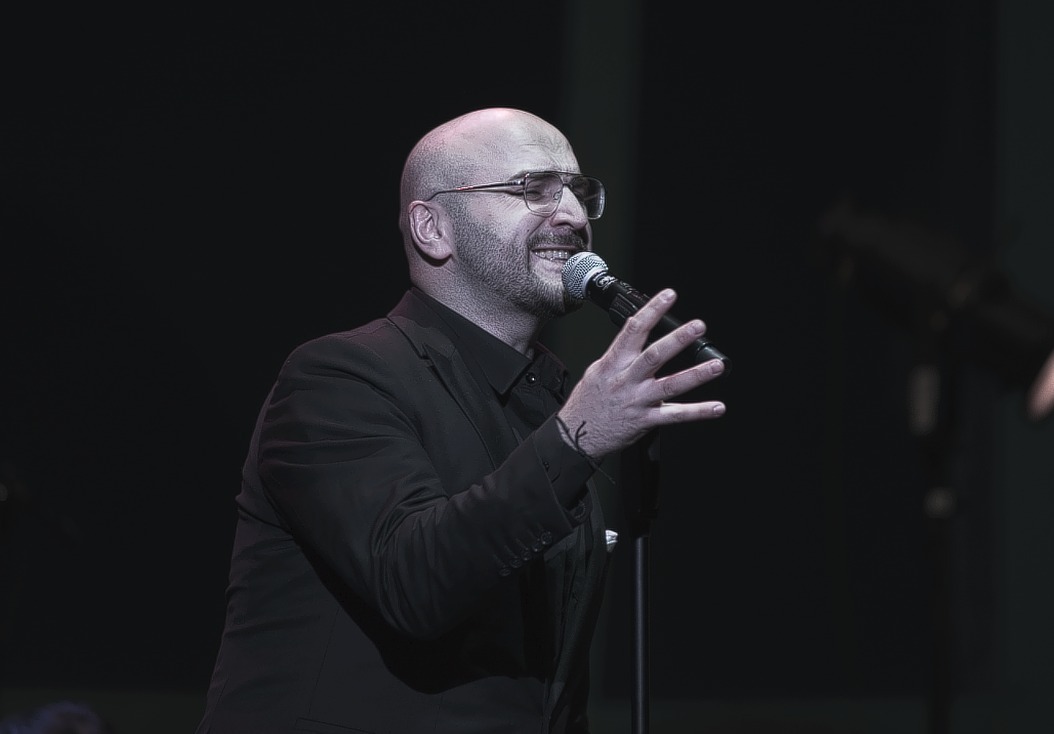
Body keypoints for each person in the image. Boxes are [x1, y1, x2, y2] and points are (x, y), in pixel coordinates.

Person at [195, 107, 727, 734]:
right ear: (432, 228)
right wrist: (576, 438)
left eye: (580, 192)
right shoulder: (337, 377)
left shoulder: (550, 399)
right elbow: (412, 580)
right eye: (533, 188)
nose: (573, 215)